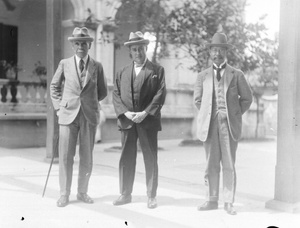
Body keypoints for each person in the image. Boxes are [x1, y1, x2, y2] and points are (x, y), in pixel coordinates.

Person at [194, 32, 252, 215]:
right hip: (209, 126)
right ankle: (211, 200)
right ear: (210, 52)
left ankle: (228, 202)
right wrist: (208, 114)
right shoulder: (202, 76)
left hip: (229, 126)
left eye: (221, 50)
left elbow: (247, 99)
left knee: (228, 163)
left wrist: (233, 114)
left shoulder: (237, 74)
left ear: (226, 52)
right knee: (210, 164)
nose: (217, 53)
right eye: (214, 50)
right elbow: (198, 100)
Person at [50, 27, 107, 207]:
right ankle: (64, 194)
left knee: (86, 156)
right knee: (66, 156)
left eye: (84, 43)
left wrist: (89, 103)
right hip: (67, 115)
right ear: (73, 46)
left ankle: (82, 192)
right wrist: (59, 108)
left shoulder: (97, 66)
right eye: (77, 43)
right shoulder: (64, 64)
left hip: (88, 116)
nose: (81, 46)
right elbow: (54, 87)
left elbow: (102, 91)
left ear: (89, 44)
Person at [112, 31, 166, 209]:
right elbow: (116, 94)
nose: (138, 53)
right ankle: (125, 194)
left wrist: (146, 113)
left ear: (146, 48)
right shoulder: (122, 72)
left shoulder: (157, 71)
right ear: (130, 51)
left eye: (141, 49)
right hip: (127, 121)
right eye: (134, 50)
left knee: (150, 158)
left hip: (147, 121)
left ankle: (151, 196)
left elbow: (160, 94)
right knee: (126, 158)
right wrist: (125, 113)